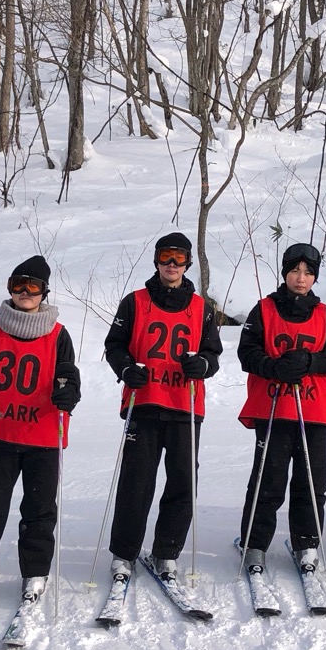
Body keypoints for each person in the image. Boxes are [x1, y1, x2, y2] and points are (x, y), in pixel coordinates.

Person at [0, 256, 82, 618]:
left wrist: (69, 394)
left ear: (44, 292)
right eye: (18, 284)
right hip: (2, 432)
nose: (24, 292)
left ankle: (35, 573)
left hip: (42, 434)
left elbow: (69, 375)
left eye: (32, 286)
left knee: (39, 509)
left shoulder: (58, 334)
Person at [103, 233, 223, 584]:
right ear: (156, 261)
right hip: (144, 402)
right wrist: (126, 368)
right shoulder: (135, 301)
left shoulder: (201, 307)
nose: (172, 264)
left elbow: (213, 354)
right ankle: (124, 553)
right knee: (136, 482)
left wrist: (202, 365)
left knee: (183, 481)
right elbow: (114, 345)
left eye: (179, 258)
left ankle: (166, 551)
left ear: (187, 264)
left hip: (184, 405)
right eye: (165, 257)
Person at [238, 243, 326, 574]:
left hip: (314, 408)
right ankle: (254, 543)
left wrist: (311, 360)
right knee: (268, 480)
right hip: (274, 406)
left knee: (311, 482)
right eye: (296, 271)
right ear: (285, 273)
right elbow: (247, 352)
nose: (301, 278)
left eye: (308, 273)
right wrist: (274, 367)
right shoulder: (264, 309)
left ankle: (307, 543)